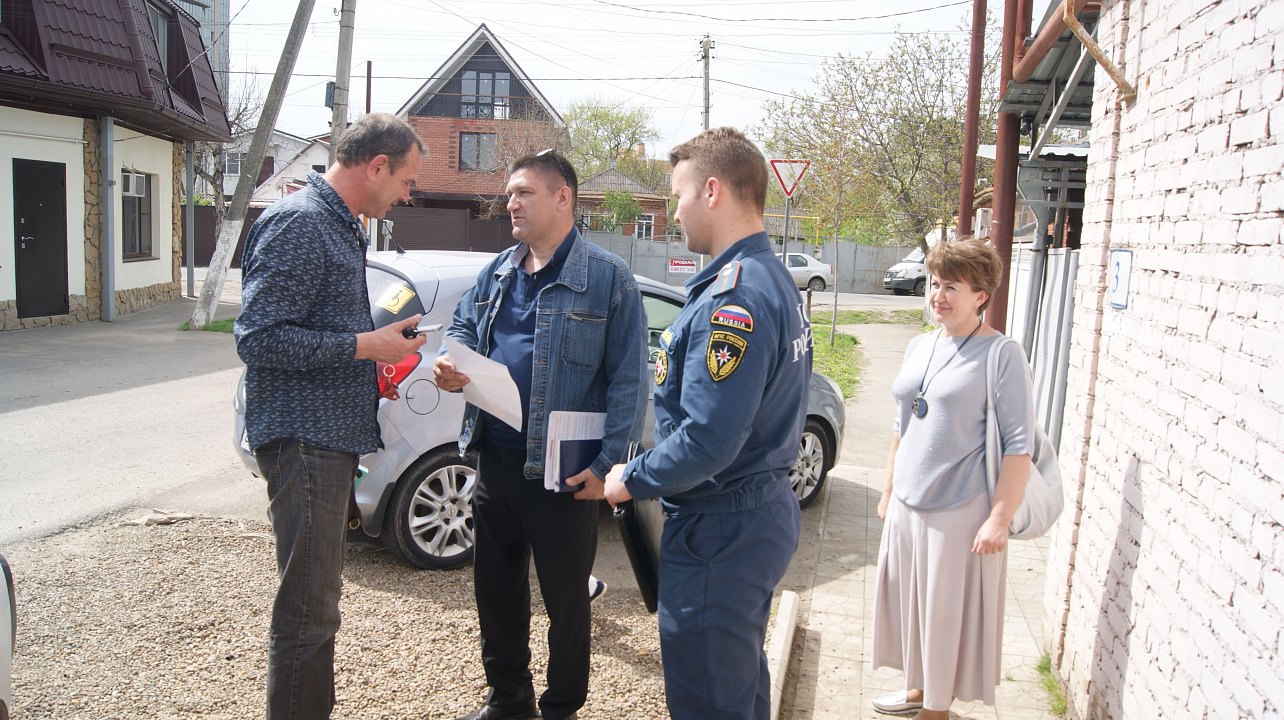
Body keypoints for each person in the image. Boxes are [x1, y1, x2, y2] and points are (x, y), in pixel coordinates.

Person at [603, 127, 811, 720]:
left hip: (720, 532)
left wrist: (630, 478)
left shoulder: (734, 298)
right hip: (750, 517)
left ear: (712, 191)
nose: (674, 212)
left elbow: (709, 439)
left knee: (710, 702)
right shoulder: (770, 277)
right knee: (737, 686)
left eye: (678, 195)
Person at [433, 149, 647, 720]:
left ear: (562, 198)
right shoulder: (499, 271)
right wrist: (450, 363)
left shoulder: (608, 279)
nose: (511, 203)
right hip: (496, 462)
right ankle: (508, 701)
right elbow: (462, 326)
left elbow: (630, 381)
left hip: (565, 474)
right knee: (496, 594)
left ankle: (561, 708)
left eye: (523, 192)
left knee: (566, 602)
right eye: (509, 194)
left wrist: (607, 466)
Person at [233, 113, 427, 719]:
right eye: (406, 180)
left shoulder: (337, 224)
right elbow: (259, 339)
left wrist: (371, 361)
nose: (406, 195)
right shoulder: (301, 222)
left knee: (317, 607)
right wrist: (366, 347)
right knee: (308, 612)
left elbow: (317, 332)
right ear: (377, 166)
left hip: (326, 439)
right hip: (305, 440)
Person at [869, 237, 1035, 719]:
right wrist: (888, 491)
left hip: (959, 507)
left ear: (981, 295)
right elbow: (902, 423)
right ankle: (918, 690)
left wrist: (999, 519)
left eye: (951, 287)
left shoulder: (1002, 355)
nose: (938, 296)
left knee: (942, 616)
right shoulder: (921, 344)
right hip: (908, 500)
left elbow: (1019, 446)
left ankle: (936, 710)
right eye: (935, 284)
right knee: (909, 602)